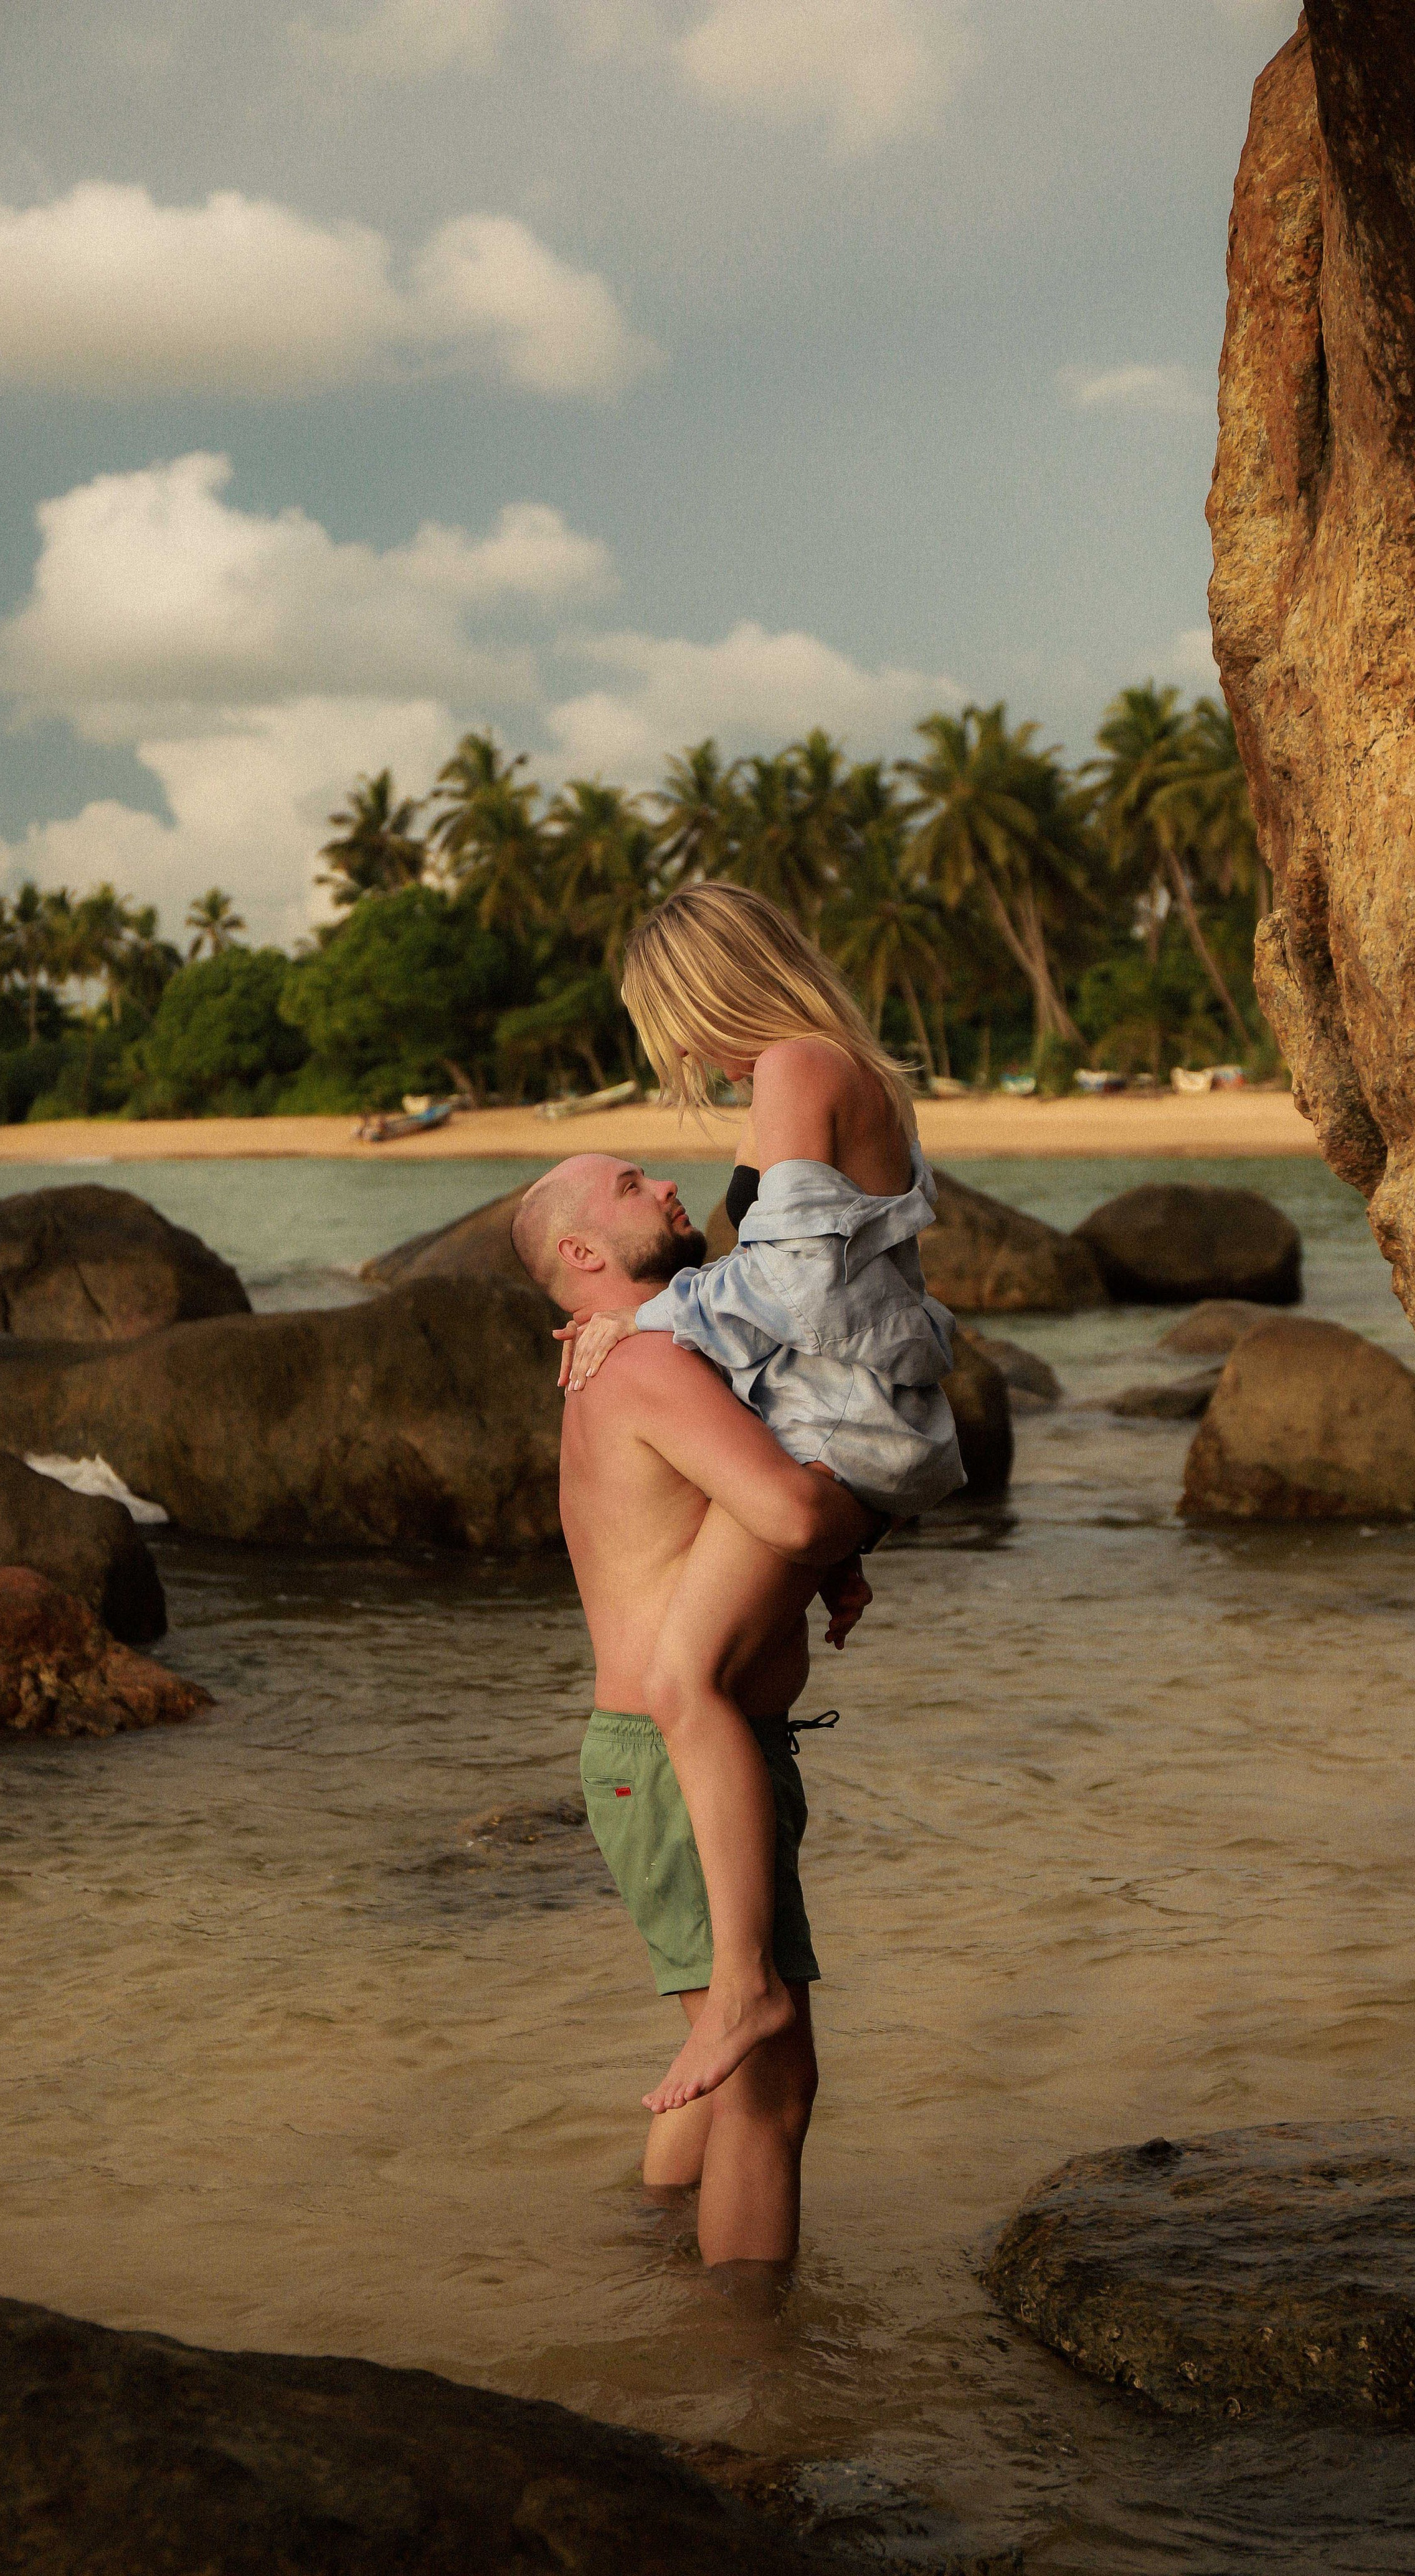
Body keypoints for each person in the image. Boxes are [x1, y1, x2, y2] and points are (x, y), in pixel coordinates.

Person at [552, 886, 966, 2122]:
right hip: (847, 1424)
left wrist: (638, 1324)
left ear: (710, 988)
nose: (685, 1056)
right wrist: (839, 1542)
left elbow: (785, 1291)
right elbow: (850, 1289)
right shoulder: (842, 1074)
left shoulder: (796, 1063)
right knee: (709, 1681)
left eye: (674, 1024)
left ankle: (744, 1989)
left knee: (681, 1686)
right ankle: (738, 2004)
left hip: (842, 1426)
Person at [511, 1153, 868, 2265]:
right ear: (581, 1254)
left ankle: (655, 2267)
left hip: (664, 1756)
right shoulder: (648, 1365)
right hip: (676, 1754)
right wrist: (889, 1475)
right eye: (628, 1185)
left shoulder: (625, 1359)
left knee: (725, 2065)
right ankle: (749, 2378)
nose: (664, 1184)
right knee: (771, 2084)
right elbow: (796, 1519)